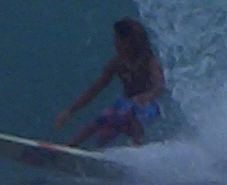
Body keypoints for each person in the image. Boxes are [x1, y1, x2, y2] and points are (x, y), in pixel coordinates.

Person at [55, 17, 165, 148]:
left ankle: (138, 150)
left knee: (130, 114)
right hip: (123, 104)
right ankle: (70, 147)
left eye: (116, 39)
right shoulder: (117, 63)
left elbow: (159, 86)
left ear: (128, 42)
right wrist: (69, 110)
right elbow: (94, 90)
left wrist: (147, 96)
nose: (114, 43)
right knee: (101, 120)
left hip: (147, 106)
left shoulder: (149, 62)